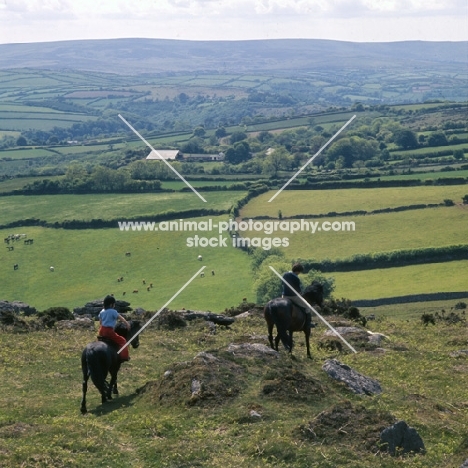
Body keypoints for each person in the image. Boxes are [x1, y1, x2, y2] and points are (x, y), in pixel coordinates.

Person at [98, 295, 131, 361]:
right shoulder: (113, 311)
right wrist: (127, 324)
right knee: (123, 341)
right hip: (109, 331)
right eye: (114, 304)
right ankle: (124, 357)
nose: (114, 305)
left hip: (101, 330)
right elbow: (121, 319)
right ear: (111, 305)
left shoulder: (102, 311)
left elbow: (100, 322)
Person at [282, 263, 312, 329]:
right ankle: (308, 323)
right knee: (308, 306)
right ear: (298, 271)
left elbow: (282, 284)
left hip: (284, 296)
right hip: (293, 296)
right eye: (300, 272)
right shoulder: (296, 278)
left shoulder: (285, 275)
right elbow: (298, 290)